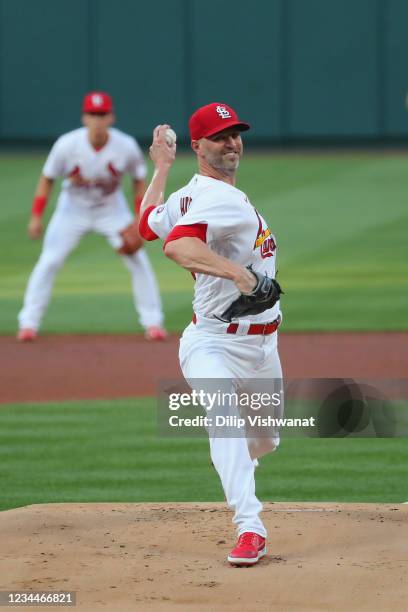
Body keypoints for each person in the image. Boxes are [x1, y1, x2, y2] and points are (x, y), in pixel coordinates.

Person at [138, 103, 283, 566]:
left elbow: (147, 223)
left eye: (235, 133)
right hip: (212, 342)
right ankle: (250, 528)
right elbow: (175, 245)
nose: (232, 143)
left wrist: (160, 169)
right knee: (224, 415)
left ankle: (234, 456)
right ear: (198, 146)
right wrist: (240, 277)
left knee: (264, 441)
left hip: (262, 347)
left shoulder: (191, 195)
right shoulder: (219, 199)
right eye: (220, 136)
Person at [17, 91, 166, 342]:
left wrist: (141, 218)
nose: (97, 119)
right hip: (72, 210)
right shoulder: (67, 144)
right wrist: (36, 216)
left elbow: (139, 179)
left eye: (102, 114)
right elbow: (47, 178)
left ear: (111, 117)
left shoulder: (125, 145)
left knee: (138, 260)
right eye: (93, 114)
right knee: (49, 261)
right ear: (84, 118)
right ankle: (28, 324)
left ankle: (153, 323)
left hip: (111, 209)